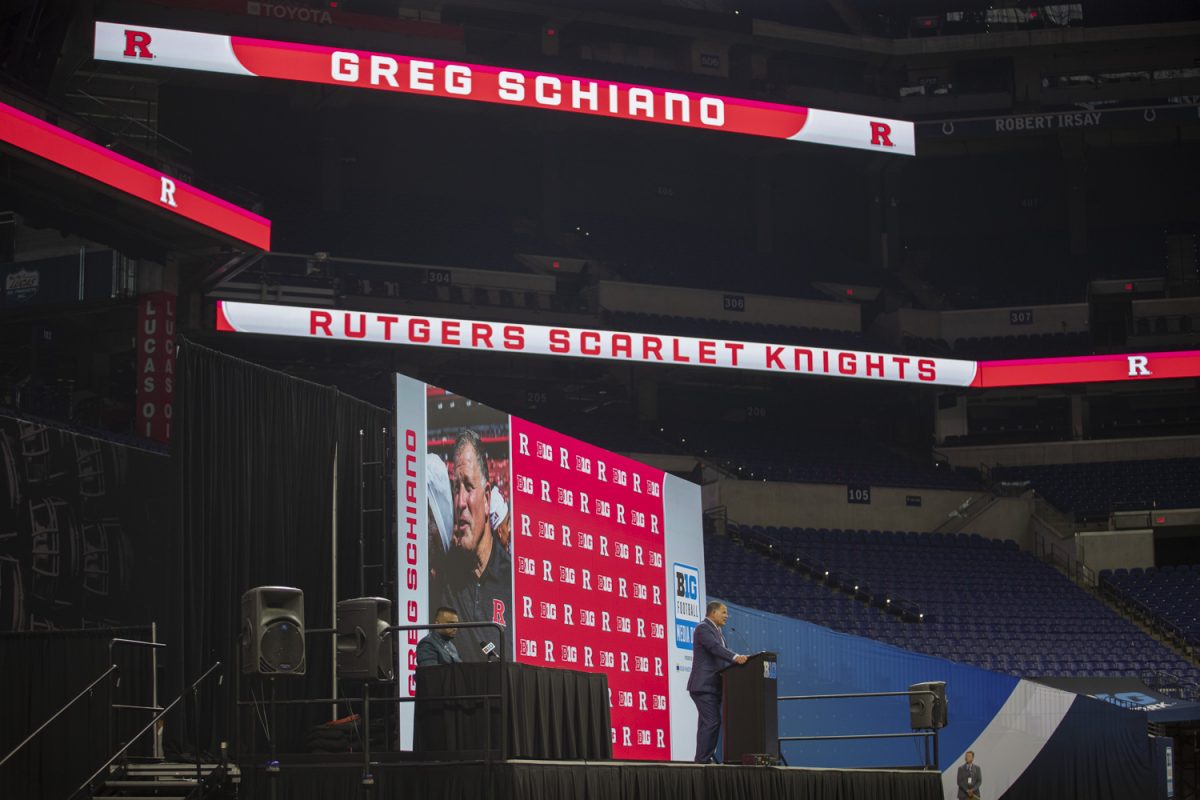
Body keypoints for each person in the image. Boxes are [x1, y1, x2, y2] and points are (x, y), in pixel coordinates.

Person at [434, 429, 512, 662]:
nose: (460, 502)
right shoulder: (443, 573)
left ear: (487, 499)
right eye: (455, 488)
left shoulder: (514, 580)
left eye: (468, 487)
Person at [687, 601, 748, 763]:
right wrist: (735, 657)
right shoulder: (703, 628)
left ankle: (701, 761)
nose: (727, 615)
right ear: (713, 613)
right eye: (724, 612)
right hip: (704, 686)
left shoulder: (718, 632)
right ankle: (702, 761)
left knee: (706, 724)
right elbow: (714, 648)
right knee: (712, 721)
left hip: (713, 687)